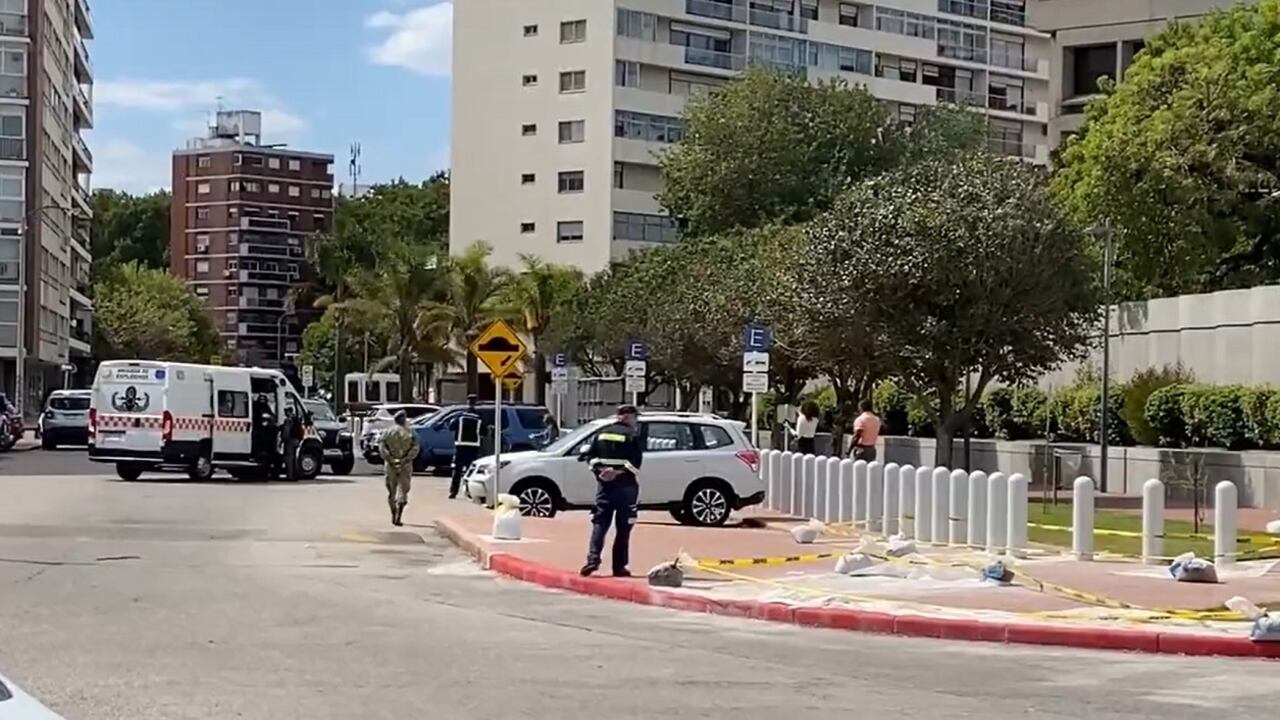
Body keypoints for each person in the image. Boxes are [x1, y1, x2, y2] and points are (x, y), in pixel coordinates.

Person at [579, 404, 644, 578]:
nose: (635, 421)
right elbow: (636, 464)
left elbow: (590, 457)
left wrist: (601, 471)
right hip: (626, 487)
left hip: (604, 486)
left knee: (600, 523)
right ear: (628, 417)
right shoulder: (632, 435)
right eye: (634, 417)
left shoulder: (601, 434)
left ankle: (593, 560)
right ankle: (619, 566)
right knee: (624, 528)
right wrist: (618, 472)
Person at [379, 410, 420, 526]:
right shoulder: (411, 432)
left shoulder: (387, 432)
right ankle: (399, 515)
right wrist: (406, 459)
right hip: (405, 465)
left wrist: (391, 459)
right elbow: (415, 448)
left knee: (392, 491)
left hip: (390, 465)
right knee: (403, 490)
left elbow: (382, 448)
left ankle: (393, 513)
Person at [449, 395, 483, 499]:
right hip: (473, 446)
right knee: (470, 471)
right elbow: (484, 431)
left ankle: (453, 492)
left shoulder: (460, 416)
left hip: (460, 446)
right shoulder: (479, 417)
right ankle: (469, 492)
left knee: (457, 470)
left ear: (468, 402)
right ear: (475, 403)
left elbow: (451, 427)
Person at [280, 405, 304, 480]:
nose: (285, 413)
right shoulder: (296, 419)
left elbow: (286, 432)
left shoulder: (288, 420)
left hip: (290, 441)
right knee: (295, 458)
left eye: (286, 411)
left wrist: (282, 440)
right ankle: (296, 475)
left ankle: (290, 476)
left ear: (289, 412)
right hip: (297, 440)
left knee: (289, 459)